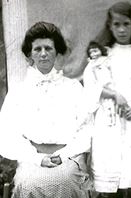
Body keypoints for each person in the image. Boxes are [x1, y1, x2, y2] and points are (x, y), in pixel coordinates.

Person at [0, 21, 91, 197]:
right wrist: (37, 158)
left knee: (65, 180)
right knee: (29, 183)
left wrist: (64, 154)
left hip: (69, 158)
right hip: (31, 159)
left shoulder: (73, 88)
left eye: (48, 49)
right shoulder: (19, 92)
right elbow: (6, 133)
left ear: (56, 51)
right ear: (29, 53)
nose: (43, 54)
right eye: (37, 49)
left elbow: (86, 128)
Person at [82, 2, 131, 198]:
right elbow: (90, 87)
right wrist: (113, 94)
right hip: (109, 123)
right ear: (110, 26)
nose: (122, 29)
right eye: (117, 24)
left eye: (126, 24)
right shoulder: (101, 57)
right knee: (111, 179)